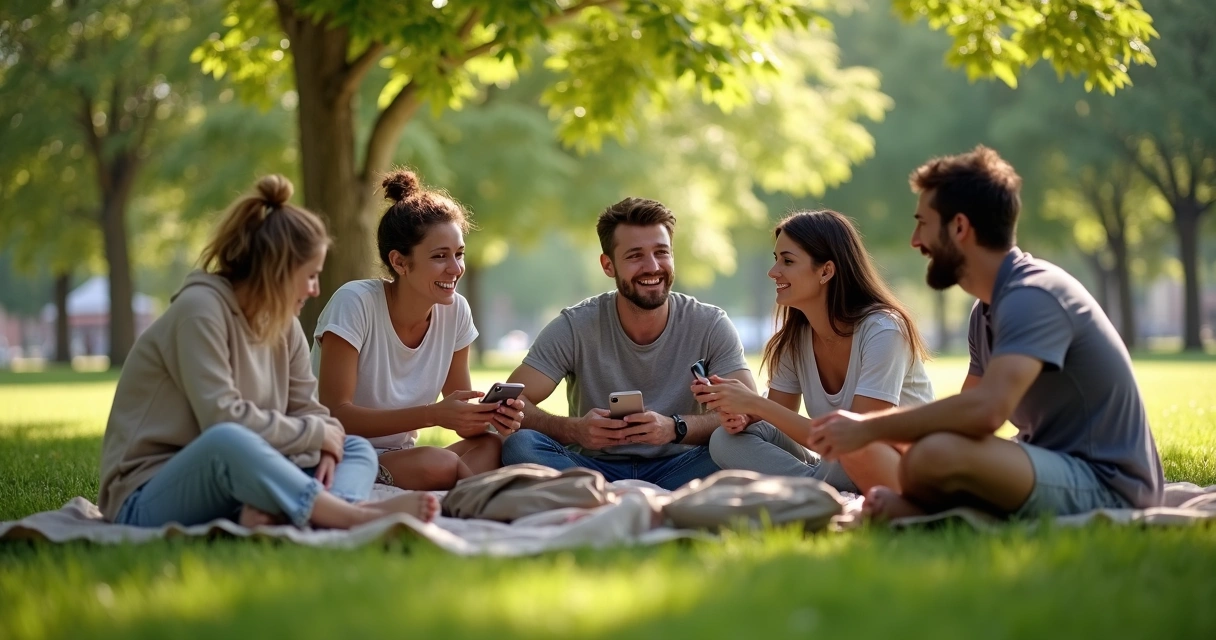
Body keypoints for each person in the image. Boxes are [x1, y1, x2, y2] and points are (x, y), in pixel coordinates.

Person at [808, 145, 1164, 520]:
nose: (915, 240)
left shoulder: (1033, 296)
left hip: (1109, 483)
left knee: (933, 455)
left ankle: (918, 509)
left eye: (922, 223)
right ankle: (919, 508)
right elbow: (965, 417)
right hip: (1048, 462)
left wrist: (868, 427)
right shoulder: (987, 309)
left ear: (959, 227)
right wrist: (875, 437)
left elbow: (987, 411)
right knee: (908, 450)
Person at [98, 175, 438, 529]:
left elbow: (309, 409)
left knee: (353, 448)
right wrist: (314, 435)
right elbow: (222, 417)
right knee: (228, 439)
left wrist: (324, 438)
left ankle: (314, 510)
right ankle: (350, 515)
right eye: (309, 276)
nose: (315, 289)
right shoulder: (199, 311)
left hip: (241, 478)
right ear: (277, 271)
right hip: (145, 494)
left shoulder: (284, 324)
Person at [500, 197, 754, 491]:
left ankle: (597, 499)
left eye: (662, 252)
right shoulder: (574, 326)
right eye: (635, 256)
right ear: (608, 265)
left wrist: (675, 428)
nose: (653, 266)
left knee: (748, 439)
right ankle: (609, 494)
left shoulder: (709, 324)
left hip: (682, 465)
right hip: (590, 468)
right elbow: (511, 405)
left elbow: (750, 409)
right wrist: (575, 430)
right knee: (521, 444)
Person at [693, 210, 934, 495]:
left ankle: (811, 488)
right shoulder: (794, 340)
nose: (773, 272)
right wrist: (744, 415)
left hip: (893, 462)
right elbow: (779, 416)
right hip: (836, 460)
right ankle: (819, 486)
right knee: (724, 440)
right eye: (775, 259)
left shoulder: (884, 330)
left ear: (826, 271)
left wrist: (756, 404)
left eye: (788, 261)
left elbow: (857, 438)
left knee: (850, 456)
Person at [312, 170, 522, 491]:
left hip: (399, 456)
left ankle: (460, 487)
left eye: (459, 254)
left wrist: (491, 416)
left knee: (493, 446)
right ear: (399, 262)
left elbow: (462, 417)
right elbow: (336, 415)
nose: (455, 269)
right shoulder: (355, 303)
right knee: (440, 464)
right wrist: (432, 415)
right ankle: (472, 492)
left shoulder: (456, 312)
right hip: (339, 451)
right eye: (440, 256)